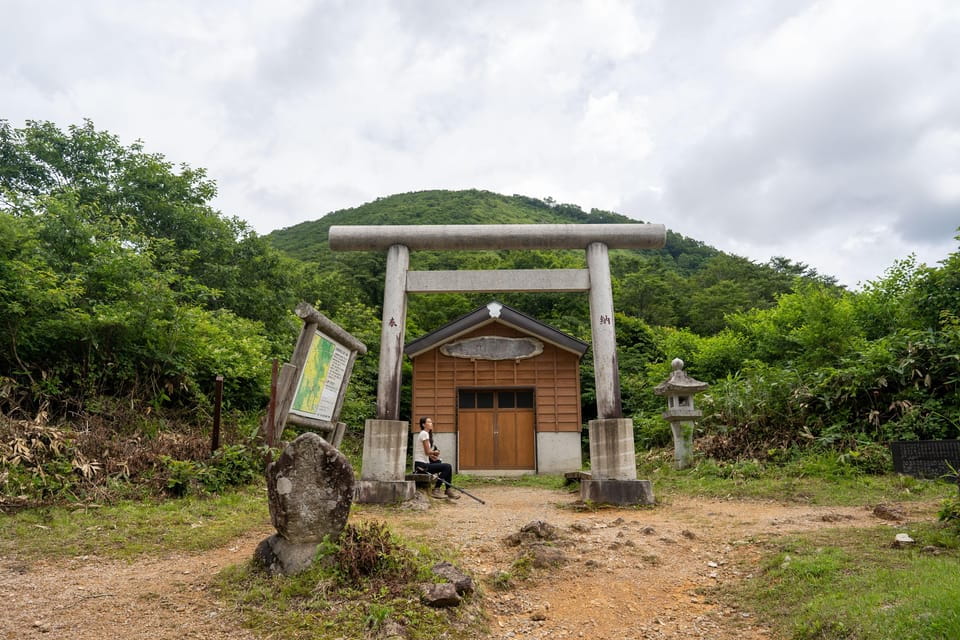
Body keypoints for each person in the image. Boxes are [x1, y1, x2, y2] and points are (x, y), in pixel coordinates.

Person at [413, 416, 459, 500]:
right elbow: (427, 451)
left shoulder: (425, 434)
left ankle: (447, 489)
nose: (431, 424)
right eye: (429, 422)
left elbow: (425, 453)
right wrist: (435, 452)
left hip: (423, 464)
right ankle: (437, 489)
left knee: (441, 463)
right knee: (447, 466)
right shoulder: (424, 433)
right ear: (423, 424)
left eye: (431, 422)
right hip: (421, 466)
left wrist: (432, 456)